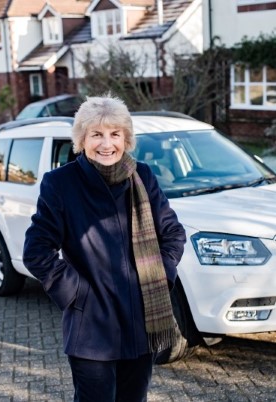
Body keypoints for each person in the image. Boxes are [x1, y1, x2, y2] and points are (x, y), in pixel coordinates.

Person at [23, 94, 186, 402]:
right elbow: (37, 250)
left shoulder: (143, 177)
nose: (106, 143)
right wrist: (76, 293)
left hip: (142, 322)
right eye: (96, 134)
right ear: (82, 140)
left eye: (115, 134)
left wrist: (160, 273)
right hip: (92, 327)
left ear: (126, 139)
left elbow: (173, 232)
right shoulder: (61, 184)